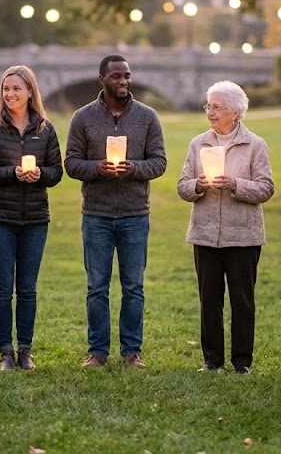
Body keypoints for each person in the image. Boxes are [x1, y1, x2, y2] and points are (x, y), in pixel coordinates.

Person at [65, 54, 167, 369]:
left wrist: (132, 168)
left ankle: (131, 352)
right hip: (96, 214)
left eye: (127, 76)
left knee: (133, 286)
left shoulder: (147, 117)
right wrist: (97, 167)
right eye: (116, 77)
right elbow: (71, 164)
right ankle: (97, 351)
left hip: (136, 214)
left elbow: (159, 162)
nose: (123, 82)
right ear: (102, 80)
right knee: (97, 286)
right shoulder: (82, 118)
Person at [177, 81, 274, 374]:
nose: (210, 112)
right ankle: (212, 360)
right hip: (205, 234)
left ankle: (242, 361)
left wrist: (235, 184)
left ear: (235, 112)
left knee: (242, 301)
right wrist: (198, 185)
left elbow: (266, 188)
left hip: (243, 235)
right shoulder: (198, 143)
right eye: (208, 106)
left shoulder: (254, 144)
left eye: (216, 107)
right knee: (209, 300)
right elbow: (182, 187)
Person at [0, 65, 63, 371]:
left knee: (27, 288)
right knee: (2, 286)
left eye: (16, 89)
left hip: (35, 219)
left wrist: (39, 174)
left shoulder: (45, 129)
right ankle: (5, 352)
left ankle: (25, 350)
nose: (10, 94)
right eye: (6, 89)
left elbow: (56, 172)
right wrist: (12, 173)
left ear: (30, 92)